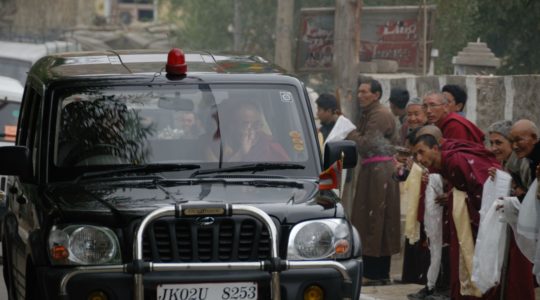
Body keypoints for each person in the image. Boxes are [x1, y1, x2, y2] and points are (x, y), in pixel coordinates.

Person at [411, 134, 501, 300]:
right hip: (461, 215)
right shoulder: (444, 163)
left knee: (473, 259)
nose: (419, 158)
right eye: (415, 155)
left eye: (421, 152)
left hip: (474, 216)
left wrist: (455, 197)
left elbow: (480, 188)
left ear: (435, 148)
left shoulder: (455, 160)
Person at [346, 78, 400, 286]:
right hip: (373, 171)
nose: (360, 95)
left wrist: (350, 132)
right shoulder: (370, 113)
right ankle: (376, 272)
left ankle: (376, 273)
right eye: (359, 92)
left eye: (365, 92)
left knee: (376, 219)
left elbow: (367, 144)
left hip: (380, 173)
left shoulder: (379, 114)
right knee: (372, 219)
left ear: (376, 95)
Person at [485, 120, 536, 300]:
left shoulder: (523, 164)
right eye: (491, 143)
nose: (493, 148)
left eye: (499, 143)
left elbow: (529, 198)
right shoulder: (508, 164)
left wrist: (511, 188)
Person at [223, 101, 289, 162]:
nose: (253, 131)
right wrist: (240, 154)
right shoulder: (222, 147)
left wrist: (242, 154)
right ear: (232, 126)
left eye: (256, 125)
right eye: (246, 125)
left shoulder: (271, 149)